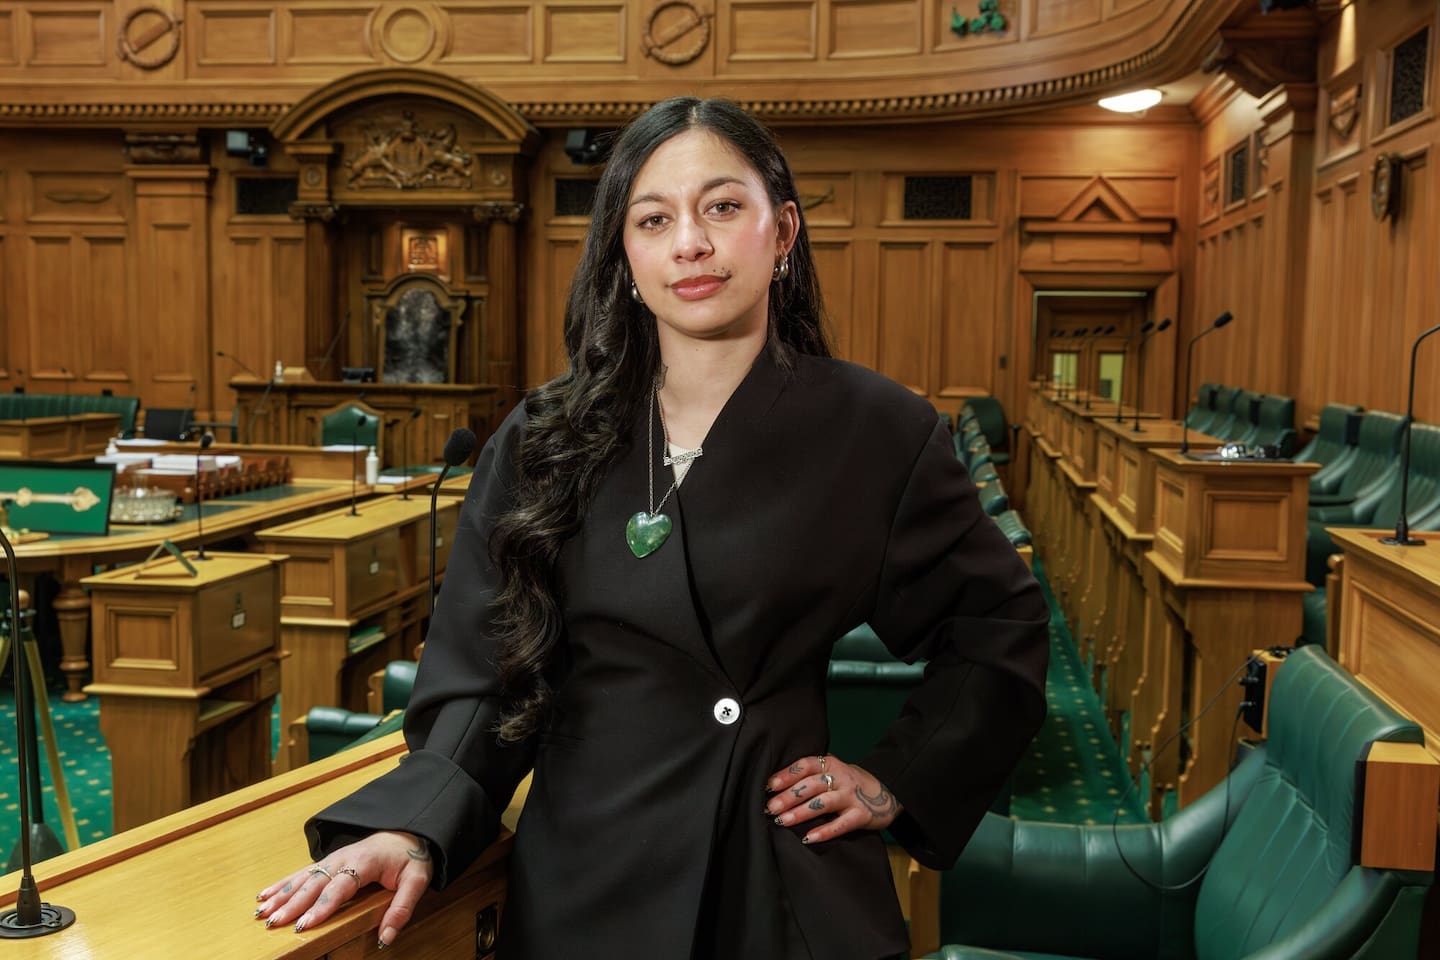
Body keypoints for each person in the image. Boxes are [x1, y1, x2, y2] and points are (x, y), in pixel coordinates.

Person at [253, 96, 1050, 958]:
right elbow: (488, 675)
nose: (690, 244)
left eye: (722, 207)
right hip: (587, 875)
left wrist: (895, 780)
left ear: (782, 232)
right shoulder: (542, 437)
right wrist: (414, 826)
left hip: (775, 878)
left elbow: (998, 627)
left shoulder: (879, 430)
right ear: (624, 254)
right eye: (654, 218)